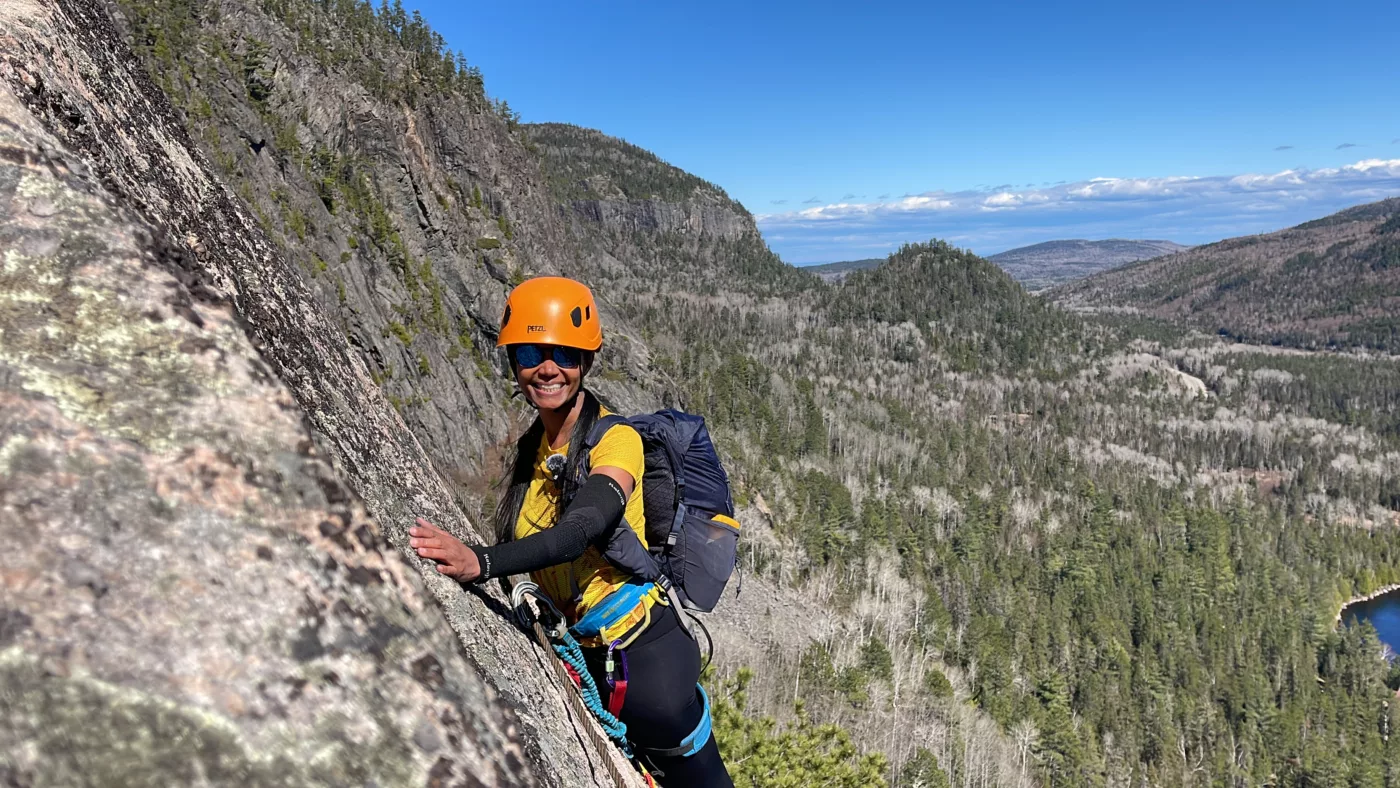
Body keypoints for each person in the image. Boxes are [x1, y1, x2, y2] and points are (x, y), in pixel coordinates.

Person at [409, 276, 733, 788]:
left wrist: (482, 562)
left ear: (586, 360)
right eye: (531, 351)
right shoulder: (531, 449)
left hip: (647, 664)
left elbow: (579, 530)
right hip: (589, 657)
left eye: (564, 351)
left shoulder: (616, 440)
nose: (546, 367)